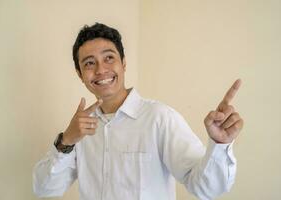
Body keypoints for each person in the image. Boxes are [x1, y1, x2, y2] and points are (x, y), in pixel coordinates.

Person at [33, 23, 244, 200]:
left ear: (123, 63)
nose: (100, 70)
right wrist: (66, 141)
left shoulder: (159, 118)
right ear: (80, 74)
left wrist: (220, 144)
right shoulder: (79, 131)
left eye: (109, 58)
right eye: (89, 63)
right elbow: (45, 188)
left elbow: (206, 188)